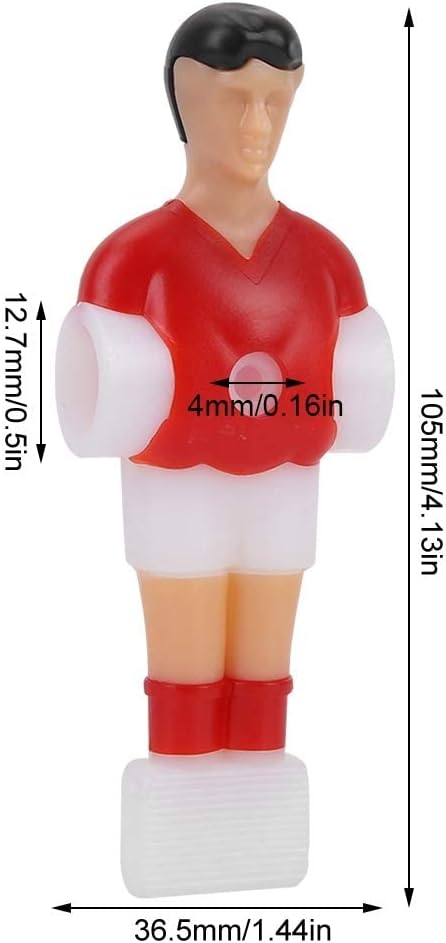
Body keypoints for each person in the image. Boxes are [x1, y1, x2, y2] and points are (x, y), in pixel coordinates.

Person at [56, 3, 394, 758]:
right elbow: (102, 376)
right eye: (234, 99)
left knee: (267, 650)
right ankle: (179, 777)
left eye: (276, 101)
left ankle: (262, 774)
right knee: (185, 631)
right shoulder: (133, 259)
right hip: (175, 491)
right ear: (184, 98)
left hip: (285, 490)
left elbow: (357, 373)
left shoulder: (327, 259)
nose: (256, 125)